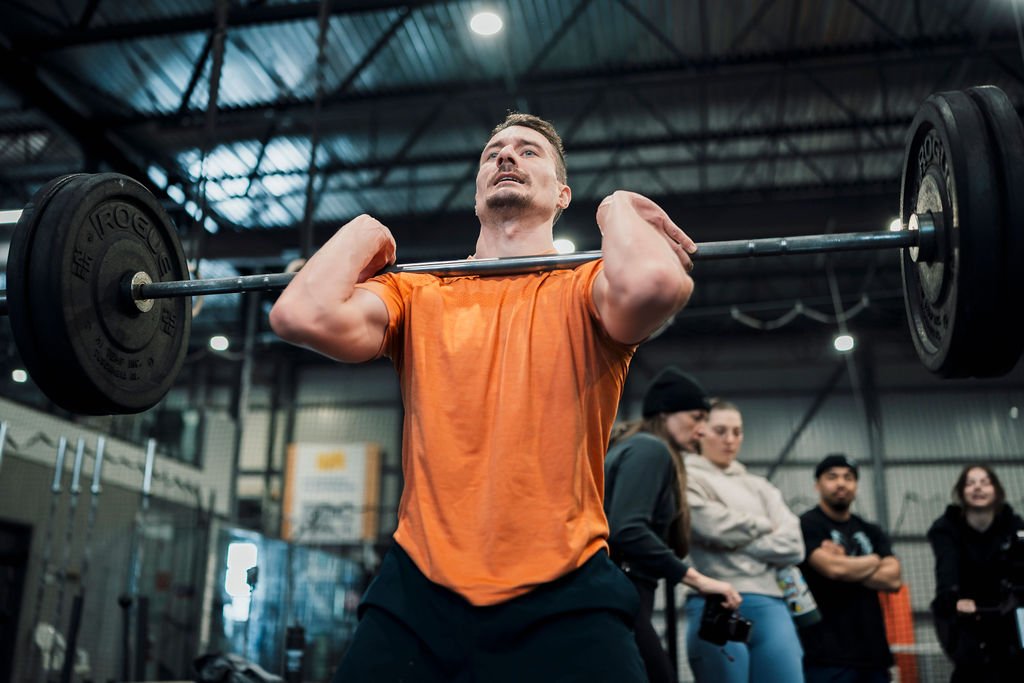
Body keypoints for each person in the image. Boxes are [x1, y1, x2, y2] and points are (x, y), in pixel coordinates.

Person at [270, 112, 697, 681]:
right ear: (477, 194)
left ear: (562, 194)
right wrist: (365, 232)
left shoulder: (587, 287)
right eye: (493, 152)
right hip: (420, 590)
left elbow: (656, 283)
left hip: (566, 587)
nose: (506, 156)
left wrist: (616, 207)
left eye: (529, 151)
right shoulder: (416, 291)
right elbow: (300, 314)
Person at [605, 367, 742, 683]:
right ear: (664, 413)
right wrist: (697, 580)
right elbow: (627, 529)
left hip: (624, 590)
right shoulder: (649, 449)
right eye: (696, 417)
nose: (702, 430)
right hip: (623, 589)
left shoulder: (632, 447)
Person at [683, 400, 806, 683]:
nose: (730, 440)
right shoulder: (686, 479)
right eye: (721, 431)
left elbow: (794, 544)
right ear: (700, 432)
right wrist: (764, 525)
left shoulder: (760, 487)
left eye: (737, 432)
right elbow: (710, 526)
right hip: (715, 603)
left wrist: (733, 542)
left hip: (772, 604)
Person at [798, 453, 902, 683]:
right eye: (832, 477)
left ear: (856, 485)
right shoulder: (807, 525)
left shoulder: (870, 529)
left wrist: (846, 563)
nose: (841, 483)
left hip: (874, 654)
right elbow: (834, 569)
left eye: (848, 477)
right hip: (826, 656)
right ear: (817, 485)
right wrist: (874, 560)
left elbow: (894, 579)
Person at [927, 464, 1024, 682]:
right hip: (967, 616)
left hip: (1006, 616)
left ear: (996, 491)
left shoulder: (1014, 525)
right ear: (961, 492)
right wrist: (954, 597)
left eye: (984, 482)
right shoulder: (946, 527)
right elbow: (946, 568)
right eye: (970, 483)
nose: (977, 488)